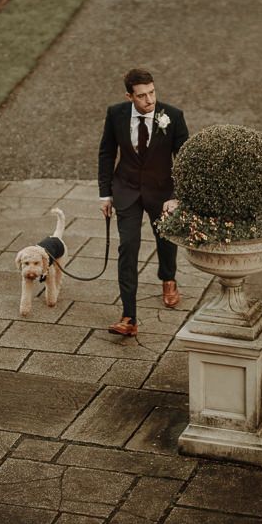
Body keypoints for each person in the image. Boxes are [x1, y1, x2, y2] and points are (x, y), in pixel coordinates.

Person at [98, 68, 189, 336]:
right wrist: (105, 194)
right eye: (141, 96)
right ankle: (129, 317)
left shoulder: (172, 116)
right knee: (128, 247)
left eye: (152, 92)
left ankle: (168, 278)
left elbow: (184, 160)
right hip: (126, 189)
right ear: (129, 96)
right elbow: (106, 153)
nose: (149, 100)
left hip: (162, 193)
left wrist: (177, 198)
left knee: (165, 239)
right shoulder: (116, 115)